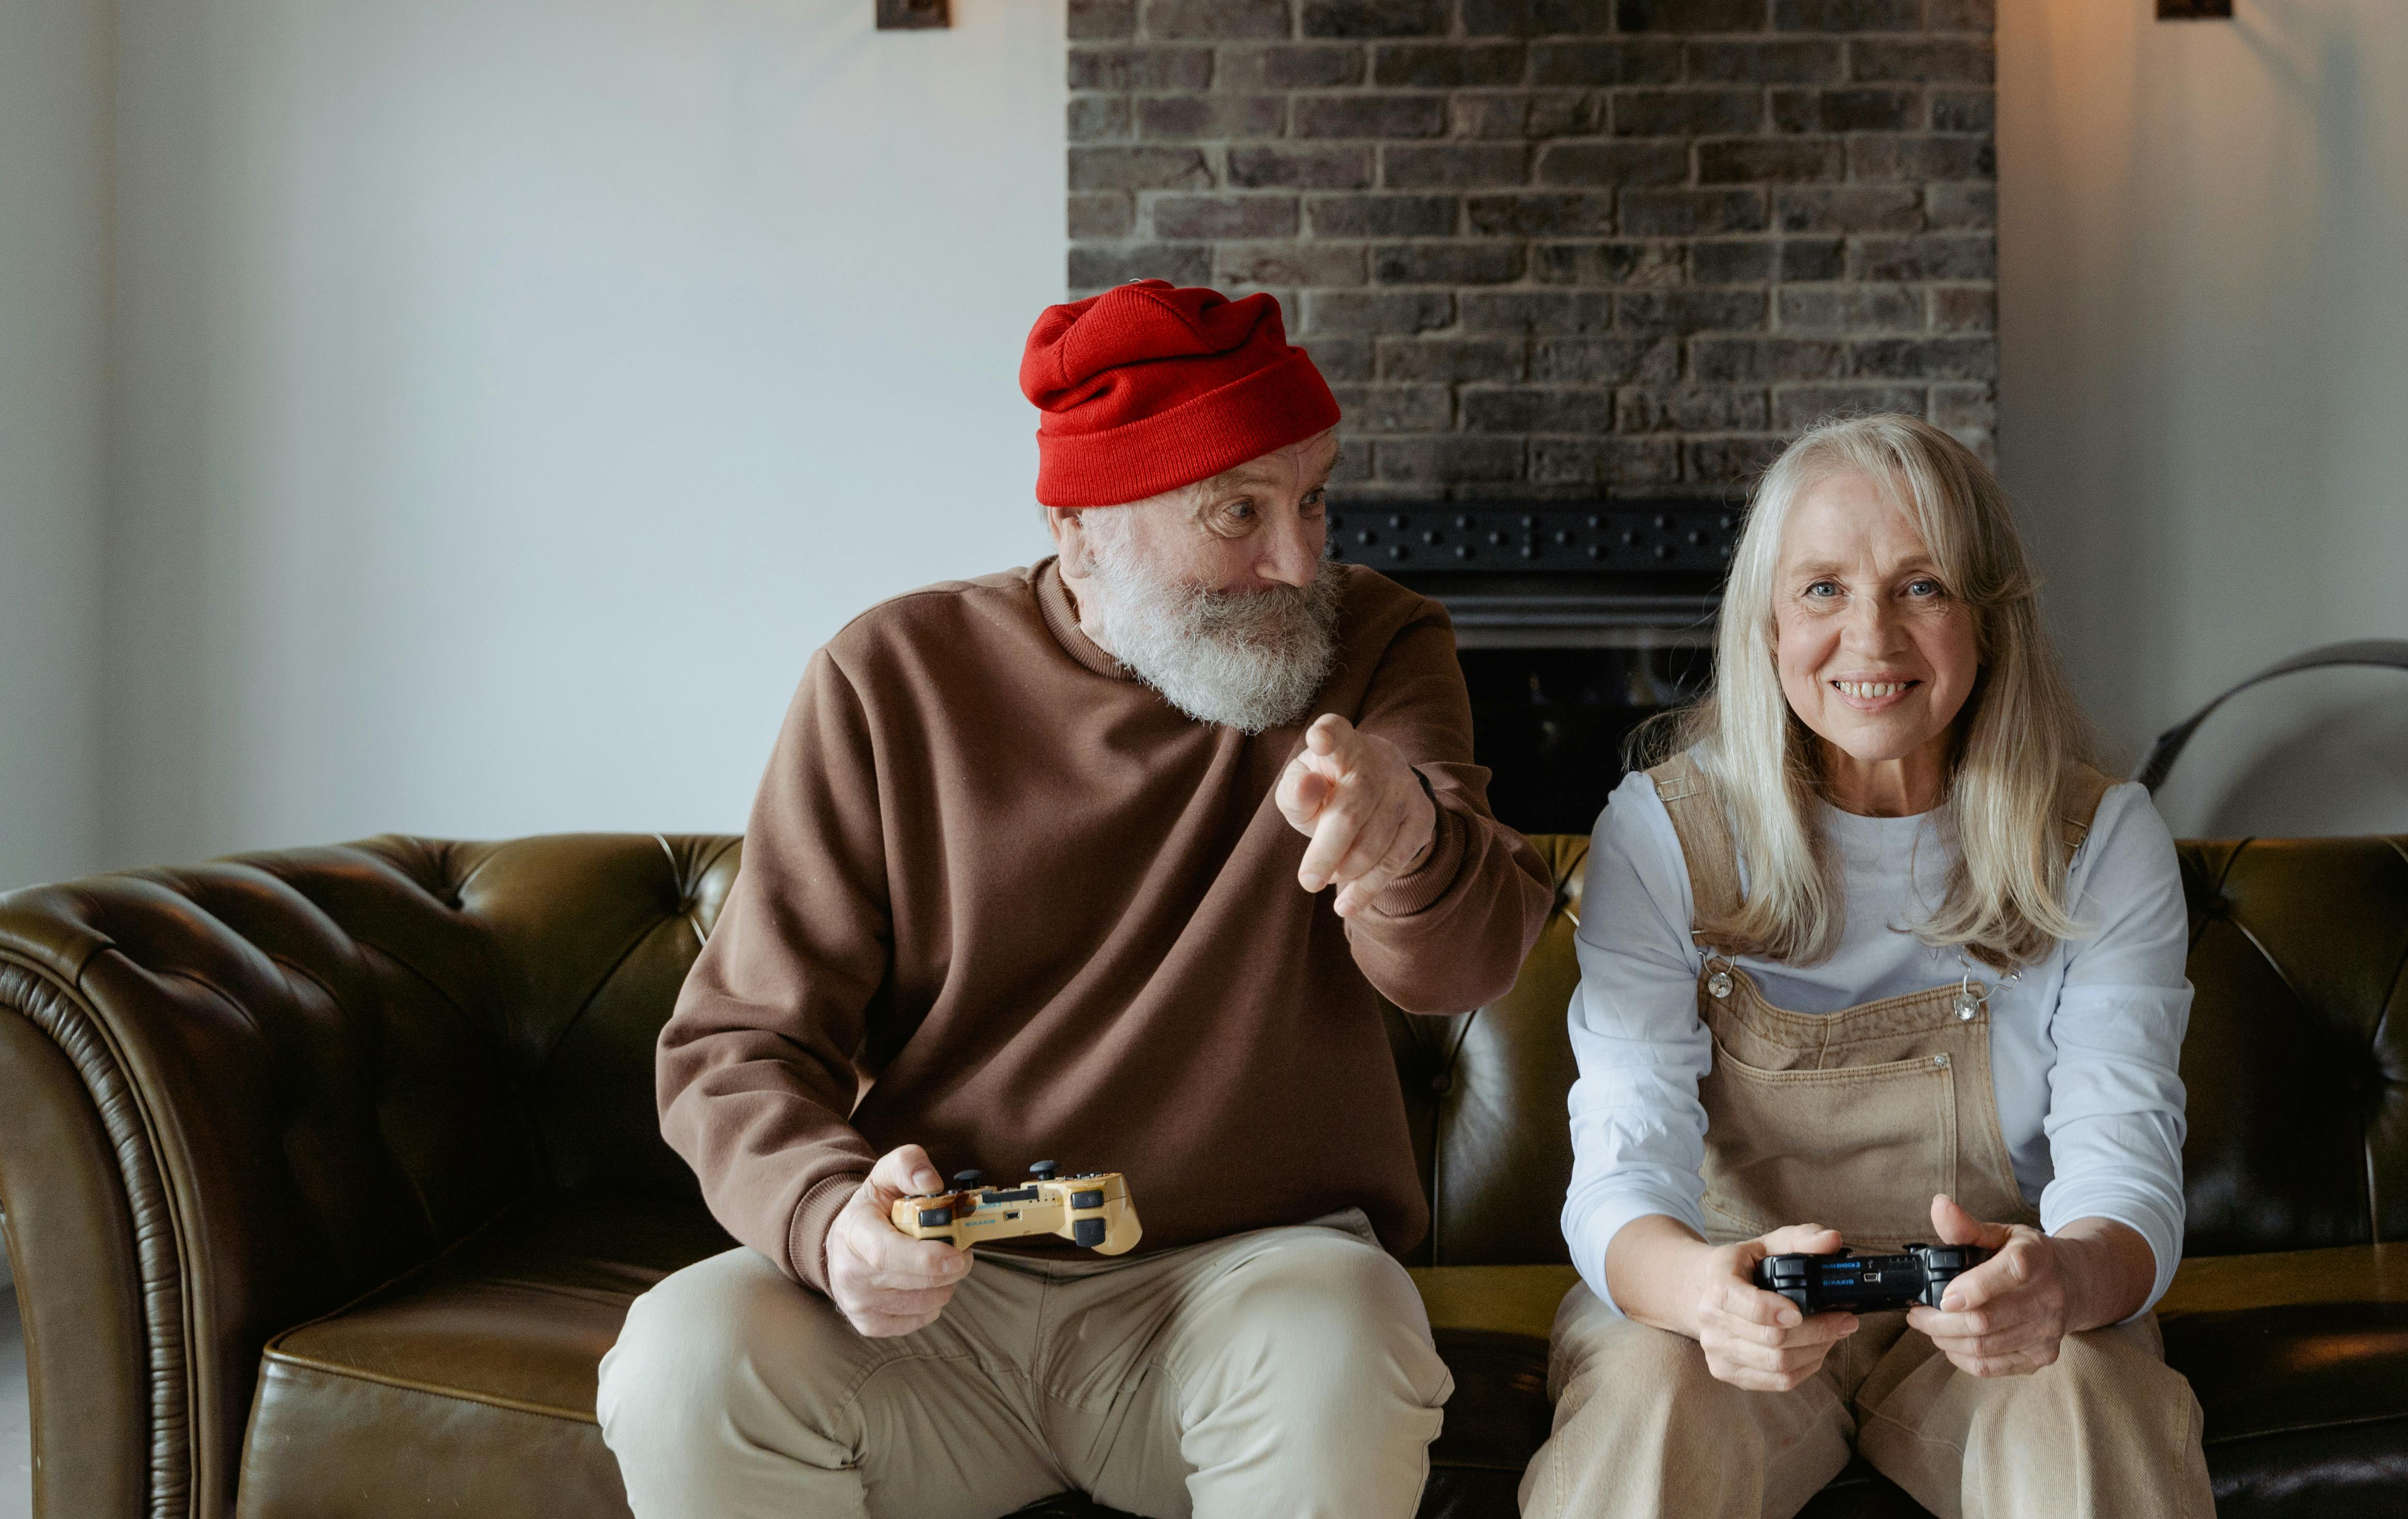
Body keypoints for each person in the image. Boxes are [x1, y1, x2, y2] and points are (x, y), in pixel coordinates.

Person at [597, 280, 1555, 1519]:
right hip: (951, 1284)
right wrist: (832, 1217)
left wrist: (1406, 836)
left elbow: (1461, 963)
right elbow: (738, 1042)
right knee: (684, 1355)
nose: (1299, 556)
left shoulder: (1370, 643)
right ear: (1080, 524)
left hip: (1246, 1283)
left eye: (1311, 496)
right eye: (1235, 511)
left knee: (1341, 1341)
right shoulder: (892, 675)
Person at [1523, 414, 2216, 1519]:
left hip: (1994, 1328)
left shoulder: (2097, 836)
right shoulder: (1658, 835)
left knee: (2084, 1391)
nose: (1871, 637)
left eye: (1922, 585)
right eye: (1821, 589)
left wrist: (2061, 1283)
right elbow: (1618, 1175)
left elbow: (2123, 1172)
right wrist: (1704, 1293)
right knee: (1648, 1389)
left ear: (1988, 619)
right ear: (1762, 624)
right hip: (1728, 1312)